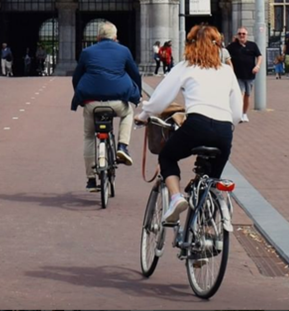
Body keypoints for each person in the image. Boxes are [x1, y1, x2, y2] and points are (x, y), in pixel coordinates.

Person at [137, 24, 242, 227]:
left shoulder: (185, 67)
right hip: (224, 131)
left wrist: (144, 115)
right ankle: (208, 229)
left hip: (197, 125)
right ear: (218, 46)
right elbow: (237, 113)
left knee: (167, 157)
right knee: (212, 180)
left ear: (190, 45)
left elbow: (160, 99)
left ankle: (176, 198)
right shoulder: (227, 72)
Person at [71, 20, 142, 191]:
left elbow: (76, 77)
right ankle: (122, 145)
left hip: (92, 103)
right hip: (118, 101)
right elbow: (135, 74)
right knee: (128, 113)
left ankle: (90, 178)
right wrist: (137, 93)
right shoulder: (124, 50)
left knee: (89, 136)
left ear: (98, 37)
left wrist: (81, 97)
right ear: (115, 37)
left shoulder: (87, 52)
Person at [227, 27, 262, 122]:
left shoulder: (252, 45)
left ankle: (244, 113)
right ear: (237, 35)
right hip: (237, 75)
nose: (241, 35)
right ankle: (238, 114)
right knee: (240, 94)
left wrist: (258, 66)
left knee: (247, 95)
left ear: (247, 35)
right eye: (239, 34)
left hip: (250, 75)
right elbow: (226, 56)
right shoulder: (232, 46)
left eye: (243, 34)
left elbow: (259, 56)